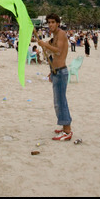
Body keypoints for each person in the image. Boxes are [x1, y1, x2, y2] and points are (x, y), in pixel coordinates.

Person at [38, 13, 72, 141]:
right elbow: (54, 55)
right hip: (56, 71)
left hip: (61, 72)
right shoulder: (55, 36)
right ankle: (64, 126)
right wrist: (51, 71)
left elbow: (58, 50)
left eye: (53, 22)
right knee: (57, 102)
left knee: (61, 101)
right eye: (49, 22)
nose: (50, 24)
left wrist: (45, 44)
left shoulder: (61, 34)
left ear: (58, 23)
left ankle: (67, 130)